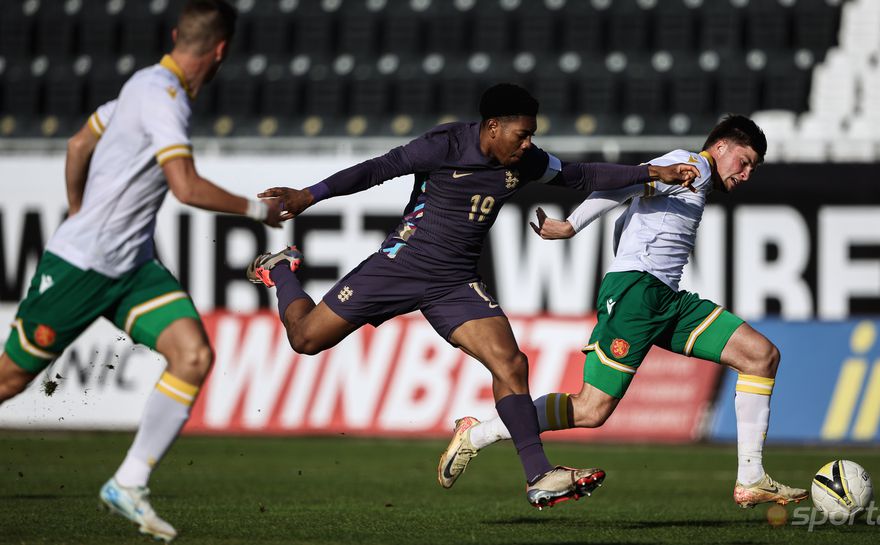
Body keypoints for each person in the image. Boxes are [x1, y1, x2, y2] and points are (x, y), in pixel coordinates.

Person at [246, 83, 700, 509]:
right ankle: (280, 268)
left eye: (532, 137)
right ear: (493, 126)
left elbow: (582, 174)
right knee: (305, 338)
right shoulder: (444, 144)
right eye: (522, 135)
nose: (527, 145)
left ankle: (538, 475)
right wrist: (309, 194)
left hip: (455, 282)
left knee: (511, 363)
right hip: (400, 265)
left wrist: (650, 172)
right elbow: (378, 169)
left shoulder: (525, 162)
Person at [0, 1, 280, 541]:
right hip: (81, 267)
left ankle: (127, 483)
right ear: (221, 51)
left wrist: (78, 207)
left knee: (193, 356)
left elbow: (80, 141)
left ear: (178, 36)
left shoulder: (141, 85)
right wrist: (257, 210)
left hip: (131, 268)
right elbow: (186, 186)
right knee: (10, 380)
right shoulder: (165, 99)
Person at [439, 114, 809, 509]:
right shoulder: (695, 166)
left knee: (760, 356)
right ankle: (475, 435)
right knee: (591, 409)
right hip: (638, 293)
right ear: (720, 147)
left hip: (665, 298)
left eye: (753, 167)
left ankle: (751, 478)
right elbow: (625, 183)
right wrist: (571, 226)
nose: (746, 173)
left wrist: (622, 246)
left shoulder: (690, 176)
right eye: (745, 161)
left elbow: (631, 197)